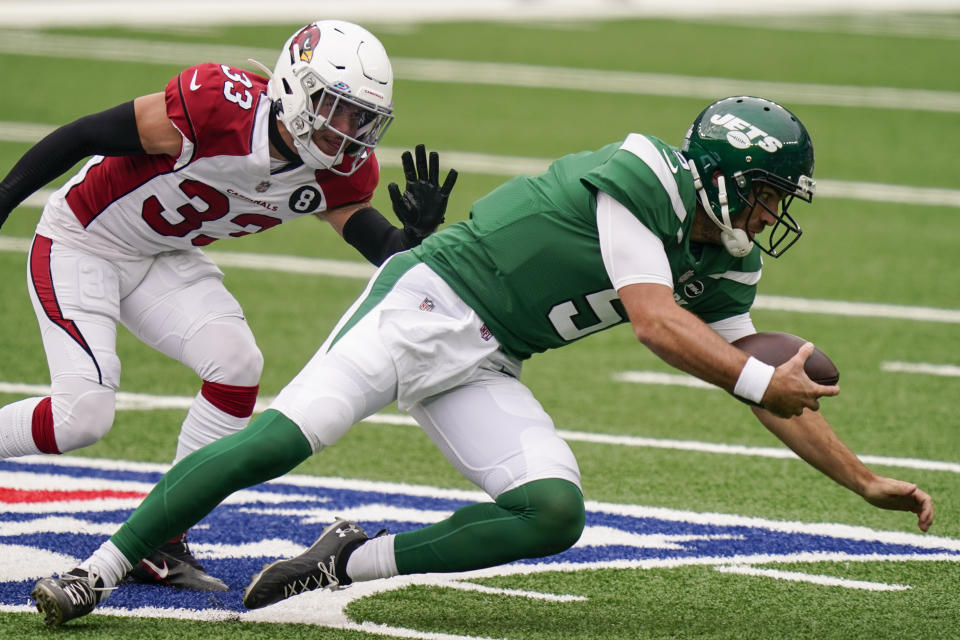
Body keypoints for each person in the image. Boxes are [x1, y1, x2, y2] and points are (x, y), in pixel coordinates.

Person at [31, 96, 933, 627]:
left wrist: (860, 480)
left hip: (491, 356)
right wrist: (757, 377)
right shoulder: (644, 176)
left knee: (552, 513)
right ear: (729, 174)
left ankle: (340, 564)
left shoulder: (727, 258)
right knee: (279, 441)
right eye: (770, 191)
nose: (774, 213)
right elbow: (660, 327)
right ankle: (98, 570)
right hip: (427, 305)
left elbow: (760, 385)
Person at [0, 20, 456, 592]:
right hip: (82, 239)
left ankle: (162, 537)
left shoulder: (342, 169)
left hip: (162, 253)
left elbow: (382, 249)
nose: (345, 130)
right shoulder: (220, 104)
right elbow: (82, 135)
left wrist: (414, 235)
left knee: (237, 367)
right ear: (294, 87)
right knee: (81, 417)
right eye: (332, 107)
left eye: (359, 117)